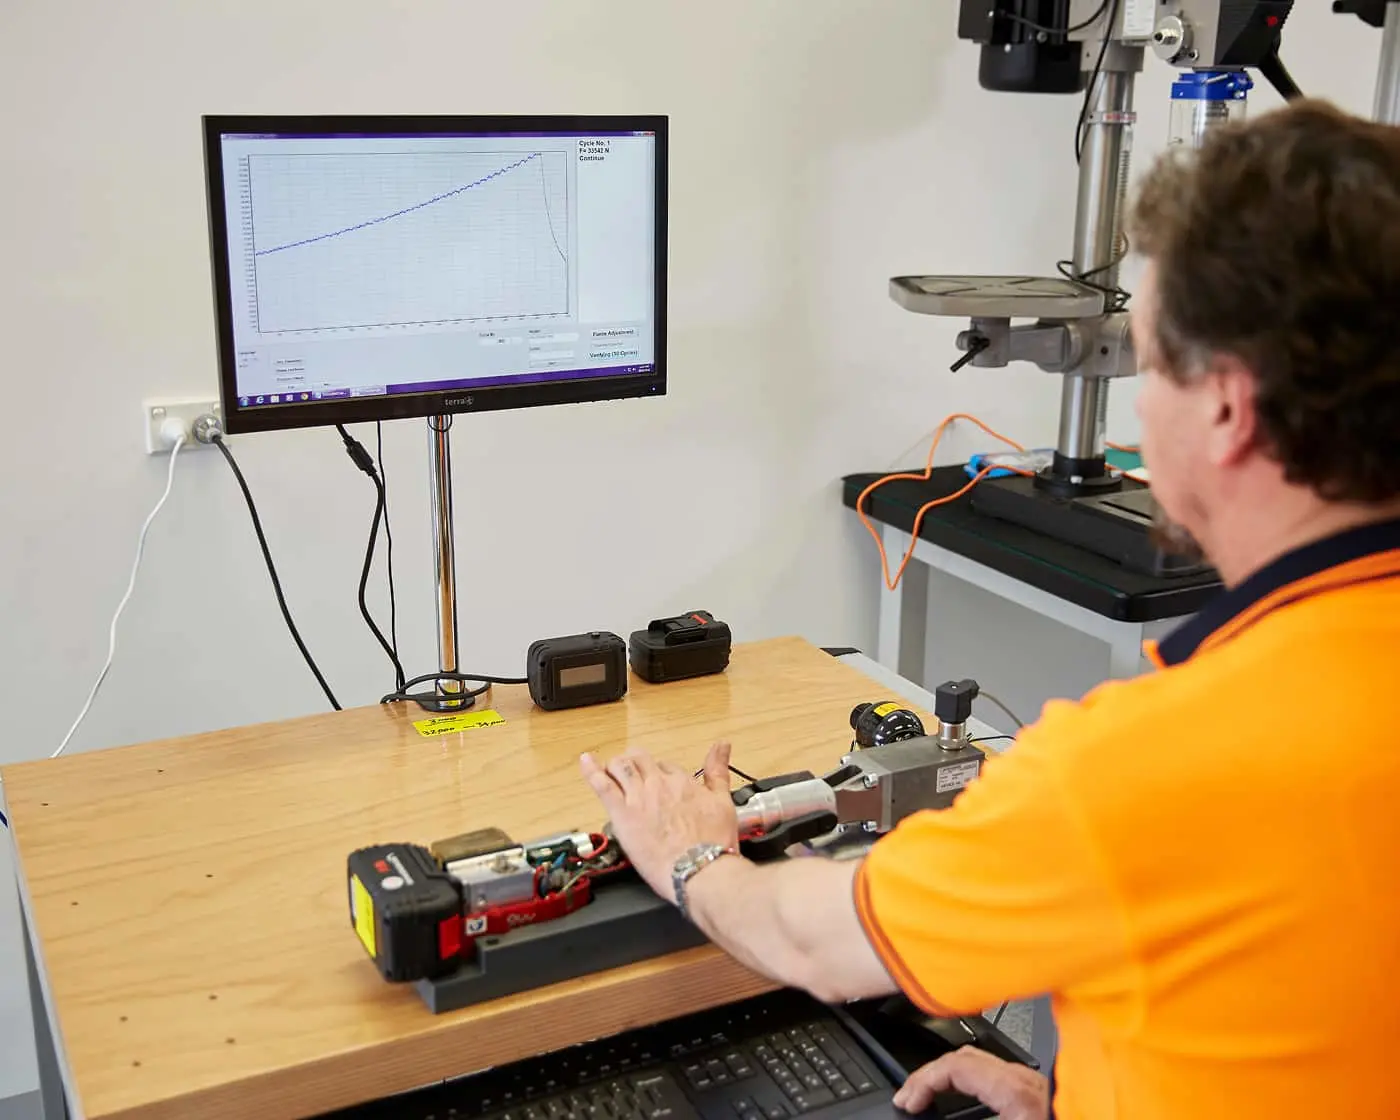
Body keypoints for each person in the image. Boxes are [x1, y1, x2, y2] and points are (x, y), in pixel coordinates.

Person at [578, 97, 1400, 1120]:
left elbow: (809, 942)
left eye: (1142, 365)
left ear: (1226, 409)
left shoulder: (1156, 762)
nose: (1136, 407)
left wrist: (687, 849)